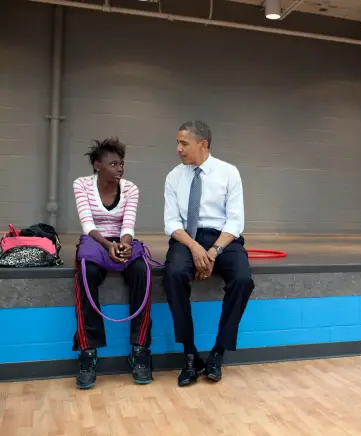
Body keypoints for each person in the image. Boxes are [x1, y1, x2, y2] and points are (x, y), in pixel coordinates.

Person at [163, 120, 255, 387]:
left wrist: (213, 252)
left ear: (202, 144)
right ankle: (190, 353)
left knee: (243, 279)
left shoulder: (229, 173)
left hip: (222, 238)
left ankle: (218, 352)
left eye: (183, 143)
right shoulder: (173, 176)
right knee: (173, 274)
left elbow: (236, 222)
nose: (178, 149)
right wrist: (194, 248)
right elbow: (171, 223)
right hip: (186, 238)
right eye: (178, 142)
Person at [72, 138, 153, 389]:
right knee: (86, 273)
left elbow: (128, 224)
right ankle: (88, 351)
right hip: (96, 241)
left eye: (122, 164)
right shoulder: (81, 184)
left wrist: (124, 244)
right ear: (98, 165)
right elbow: (88, 224)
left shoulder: (131, 189)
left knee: (143, 270)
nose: (120, 169)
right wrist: (108, 247)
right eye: (113, 163)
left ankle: (139, 349)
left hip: (121, 240)